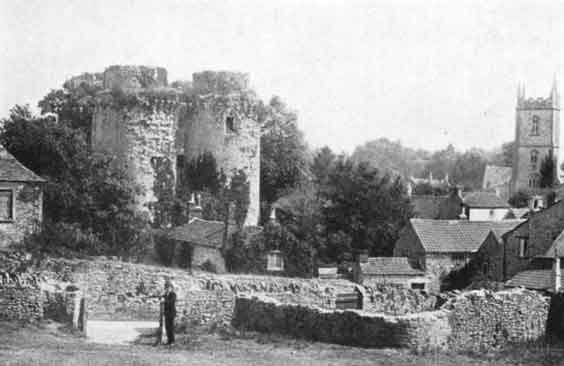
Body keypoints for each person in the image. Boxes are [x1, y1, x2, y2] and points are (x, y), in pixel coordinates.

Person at [163, 279, 176, 345]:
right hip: (167, 313)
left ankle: (172, 341)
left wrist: (164, 300)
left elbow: (171, 302)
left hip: (171, 313)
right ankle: (169, 340)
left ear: (171, 288)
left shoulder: (173, 294)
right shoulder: (166, 295)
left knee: (171, 327)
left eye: (168, 287)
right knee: (167, 327)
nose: (167, 289)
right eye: (166, 287)